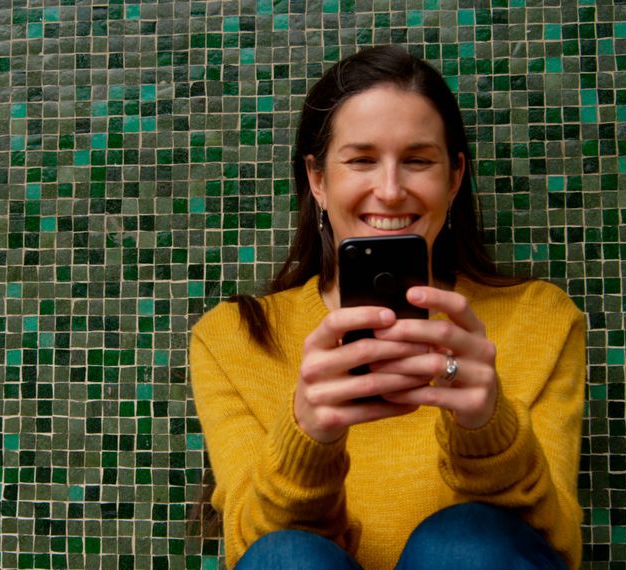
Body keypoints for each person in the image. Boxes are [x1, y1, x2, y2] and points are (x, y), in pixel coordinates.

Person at [189, 45, 586, 570]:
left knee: (463, 542)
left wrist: (487, 426)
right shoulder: (234, 337)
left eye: (418, 160)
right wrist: (308, 438)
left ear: (454, 177)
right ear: (317, 180)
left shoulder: (542, 318)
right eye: (361, 160)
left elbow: (555, 540)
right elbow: (251, 550)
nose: (392, 190)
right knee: (287, 556)